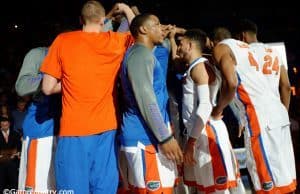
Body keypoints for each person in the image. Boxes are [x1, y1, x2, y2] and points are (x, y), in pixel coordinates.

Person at [40, 1, 135, 193]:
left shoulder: (63, 40)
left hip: (74, 129)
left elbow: (47, 88)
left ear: (80, 19)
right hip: (106, 127)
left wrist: (70, 81)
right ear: (102, 20)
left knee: (73, 188)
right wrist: (125, 9)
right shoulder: (114, 41)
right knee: (103, 186)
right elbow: (138, 34)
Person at [212, 20, 297, 193]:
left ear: (240, 36)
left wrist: (218, 109)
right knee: (285, 178)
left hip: (259, 117)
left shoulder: (235, 49)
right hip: (280, 114)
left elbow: (233, 83)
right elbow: (286, 87)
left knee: (265, 182)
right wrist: (283, 112)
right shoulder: (273, 51)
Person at [119, 13, 183, 194]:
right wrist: (165, 137)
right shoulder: (139, 54)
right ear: (143, 29)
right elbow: (146, 98)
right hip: (145, 138)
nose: (161, 27)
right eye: (156, 24)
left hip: (151, 136)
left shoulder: (144, 54)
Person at [175, 29, 245, 194]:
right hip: (201, 131)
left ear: (190, 45)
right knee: (206, 189)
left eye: (181, 44)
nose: (178, 48)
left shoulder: (200, 67)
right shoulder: (201, 64)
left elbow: (206, 105)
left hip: (205, 133)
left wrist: (191, 142)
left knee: (216, 190)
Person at [0, 116, 21, 193]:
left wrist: (14, 153)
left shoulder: (15, 134)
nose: (4, 127)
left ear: (9, 124)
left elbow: (18, 148)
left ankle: (14, 190)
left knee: (11, 165)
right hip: (1, 161)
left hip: (13, 160)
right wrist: (10, 152)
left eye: (6, 125)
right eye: (2, 125)